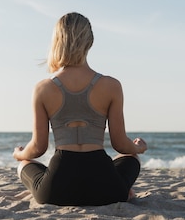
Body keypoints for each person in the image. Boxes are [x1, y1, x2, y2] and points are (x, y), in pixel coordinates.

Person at [13, 12, 147, 206]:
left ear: (56, 41)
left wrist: (19, 154)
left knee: (24, 165)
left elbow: (38, 148)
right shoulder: (111, 86)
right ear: (90, 42)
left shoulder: (42, 88)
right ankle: (125, 189)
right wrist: (139, 148)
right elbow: (120, 145)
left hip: (56, 192)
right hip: (107, 190)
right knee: (131, 158)